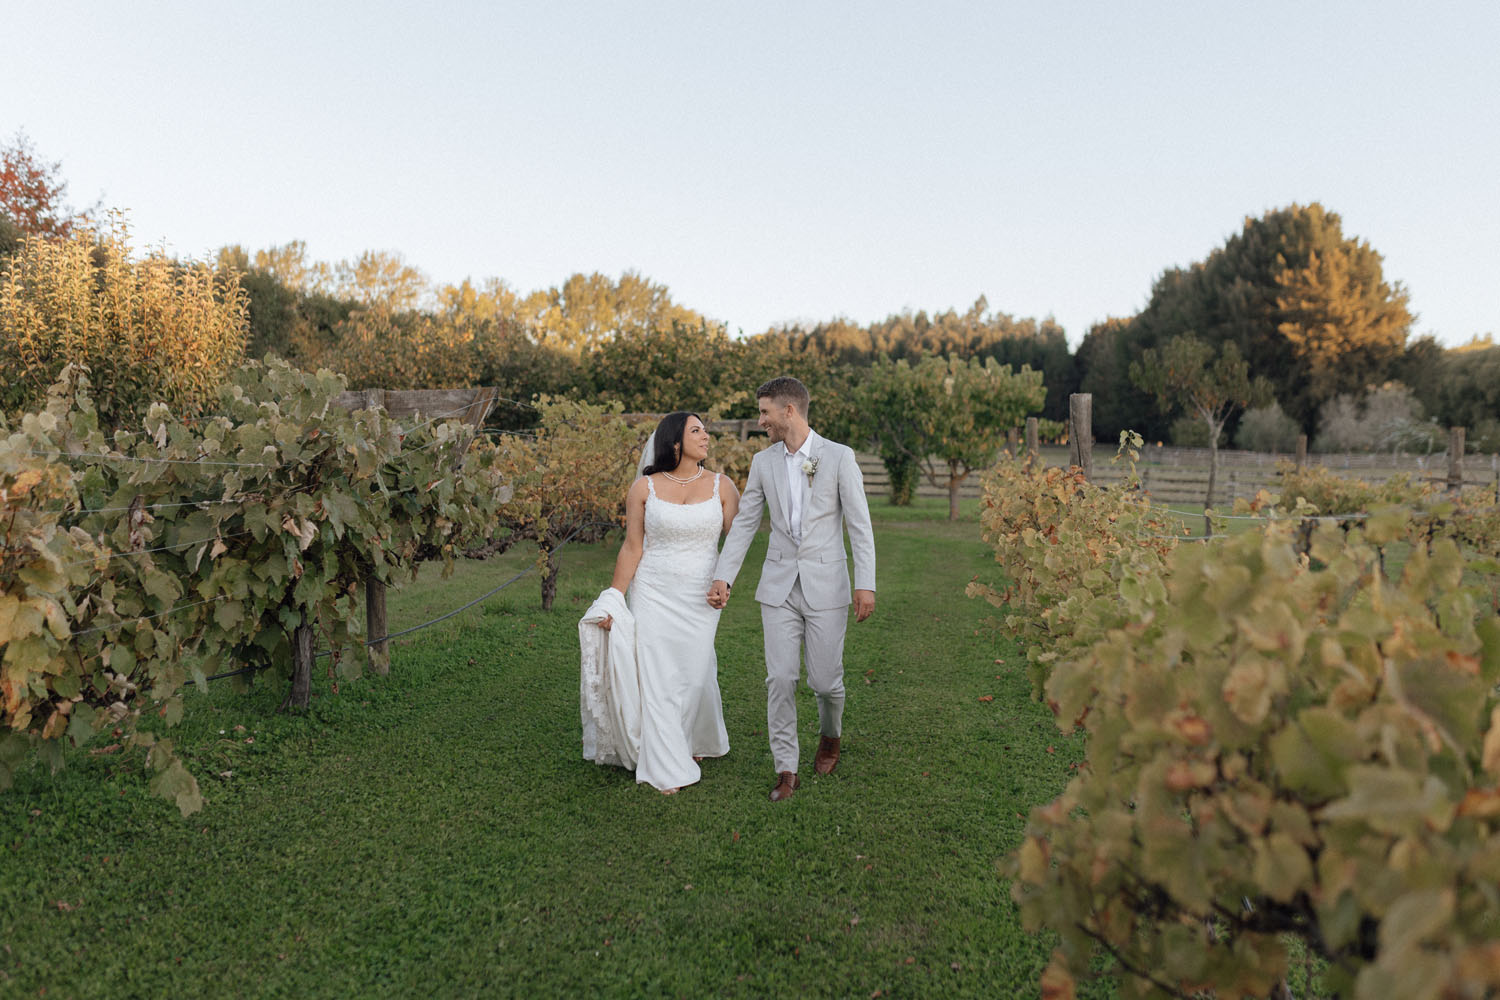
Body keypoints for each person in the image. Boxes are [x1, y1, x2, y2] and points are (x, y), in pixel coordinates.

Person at [709, 376, 876, 803]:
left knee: (824, 682)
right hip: (778, 587)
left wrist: (866, 584)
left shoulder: (838, 457)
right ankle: (786, 767)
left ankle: (831, 735)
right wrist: (724, 575)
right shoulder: (764, 463)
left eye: (765, 411)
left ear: (789, 411)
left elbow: (859, 524)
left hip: (828, 585)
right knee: (780, 678)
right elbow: (746, 522)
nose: (760, 420)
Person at [580, 412, 739, 794]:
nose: (706, 436)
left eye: (705, 430)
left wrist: (726, 582)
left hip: (701, 595)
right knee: (660, 676)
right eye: (696, 430)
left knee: (695, 673)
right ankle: (666, 764)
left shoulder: (723, 486)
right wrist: (615, 599)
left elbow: (735, 544)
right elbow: (633, 547)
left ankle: (692, 739)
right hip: (653, 590)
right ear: (675, 443)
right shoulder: (644, 489)